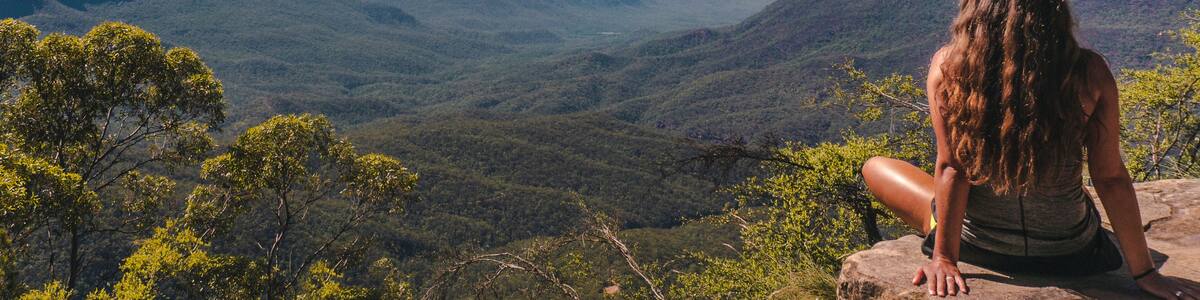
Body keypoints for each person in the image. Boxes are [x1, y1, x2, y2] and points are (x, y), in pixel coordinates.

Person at [860, 0, 1200, 298]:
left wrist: (944, 259)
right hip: (1070, 252)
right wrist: (1145, 273)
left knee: (875, 166)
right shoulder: (1088, 73)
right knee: (1075, 191)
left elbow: (953, 169)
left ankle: (942, 227)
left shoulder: (950, 69)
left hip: (978, 247)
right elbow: (1110, 178)